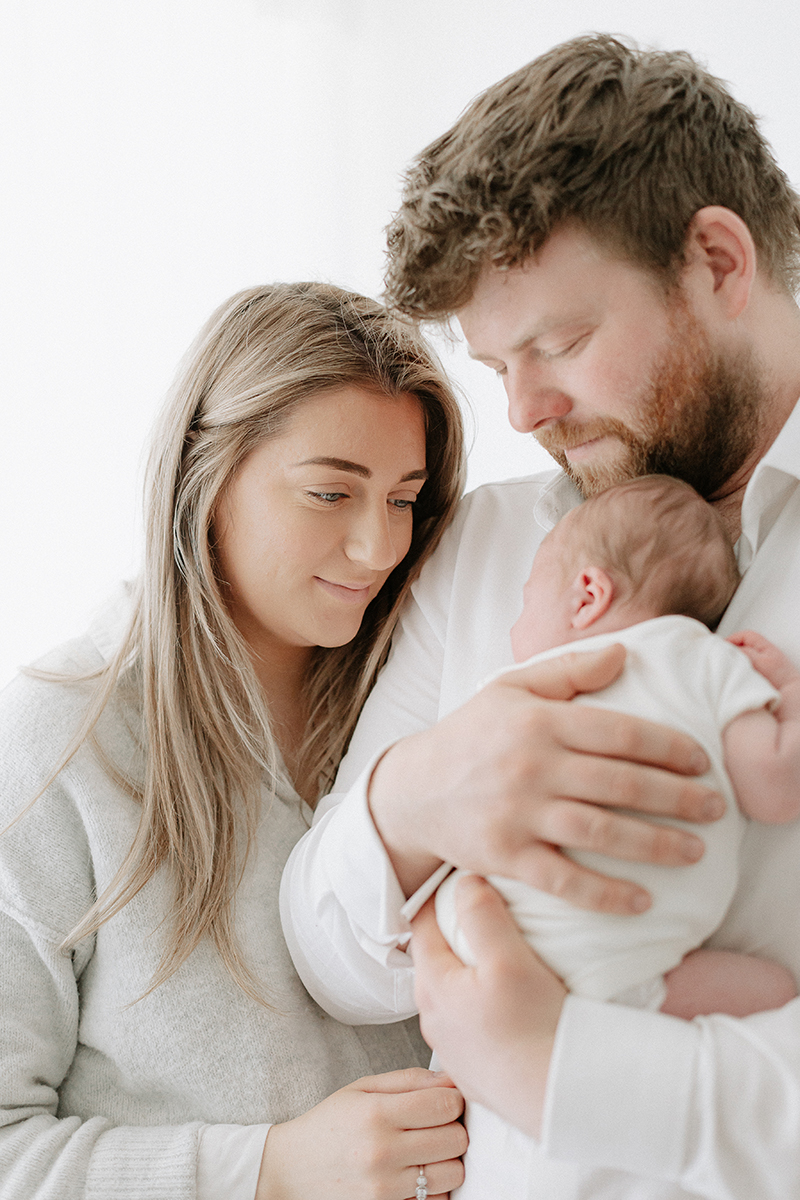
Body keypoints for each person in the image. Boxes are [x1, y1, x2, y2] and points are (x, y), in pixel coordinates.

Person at [280, 34, 800, 1199]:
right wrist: (420, 796)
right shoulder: (492, 547)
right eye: (495, 365)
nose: (522, 411)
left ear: (718, 260)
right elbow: (324, 956)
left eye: (559, 343)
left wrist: (560, 1066)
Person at [0, 281, 470, 1200]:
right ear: (204, 478)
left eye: (404, 497)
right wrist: (272, 1170)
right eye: (330, 491)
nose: (378, 546)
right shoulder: (62, 738)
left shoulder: (420, 696)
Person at [432, 474, 799, 1198]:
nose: (513, 628)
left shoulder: (514, 695)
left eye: (526, 598)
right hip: (633, 976)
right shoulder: (711, 664)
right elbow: (776, 787)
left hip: (499, 954)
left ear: (587, 595)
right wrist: (783, 692)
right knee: (777, 985)